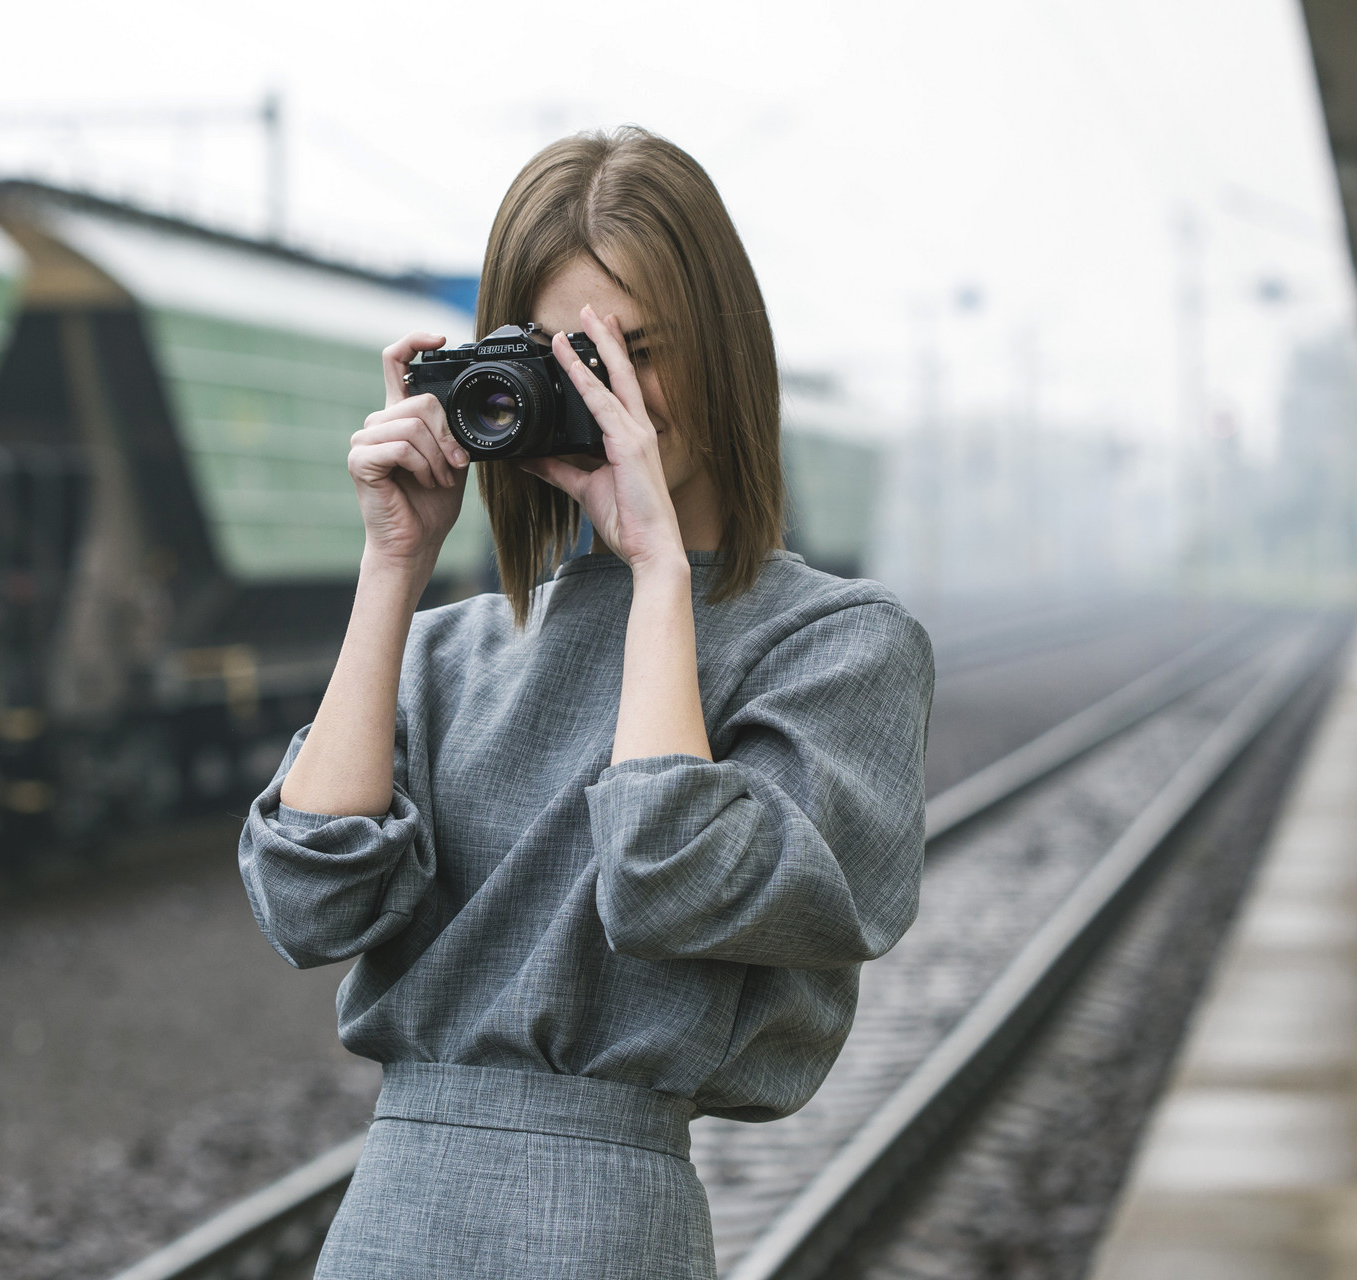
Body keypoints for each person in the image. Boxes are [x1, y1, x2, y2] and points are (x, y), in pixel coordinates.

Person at [238, 126, 933, 1280]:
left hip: (606, 1218)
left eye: (637, 351)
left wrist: (658, 566)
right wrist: (394, 561)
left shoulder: (836, 645)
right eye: (572, 362)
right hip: (387, 1218)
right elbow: (307, 904)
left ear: (726, 351)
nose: (616, 400)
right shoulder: (451, 649)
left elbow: (669, 873)